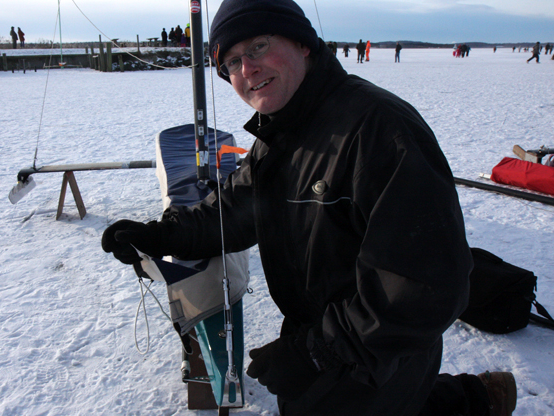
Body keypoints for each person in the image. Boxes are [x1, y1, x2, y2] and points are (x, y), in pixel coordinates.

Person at [102, 0, 518, 415]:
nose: (246, 69)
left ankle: (474, 401)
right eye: (230, 61)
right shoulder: (280, 132)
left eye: (259, 46)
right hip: (327, 339)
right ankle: (480, 397)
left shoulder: (380, 130)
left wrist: (318, 353)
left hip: (379, 350)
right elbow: (232, 211)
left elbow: (425, 287)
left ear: (303, 44)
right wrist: (160, 235)